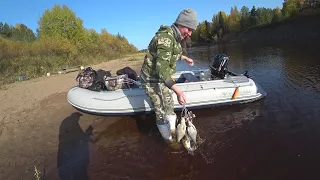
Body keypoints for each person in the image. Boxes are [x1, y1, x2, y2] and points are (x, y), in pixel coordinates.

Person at [139, 8, 198, 142]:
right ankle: (168, 139)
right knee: (159, 109)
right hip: (151, 80)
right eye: (188, 29)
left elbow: (172, 55)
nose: (189, 34)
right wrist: (178, 91)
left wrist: (184, 58)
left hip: (163, 79)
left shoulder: (175, 38)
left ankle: (173, 130)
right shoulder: (165, 38)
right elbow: (161, 71)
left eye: (191, 30)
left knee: (169, 104)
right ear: (181, 23)